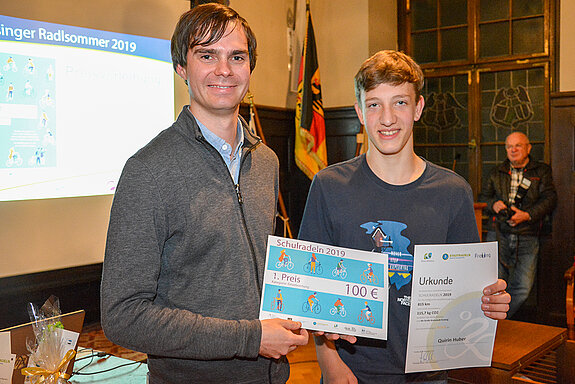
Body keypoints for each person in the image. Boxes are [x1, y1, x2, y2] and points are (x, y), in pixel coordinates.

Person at [100, 4, 308, 384]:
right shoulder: (148, 170)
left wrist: (324, 311)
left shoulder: (267, 162)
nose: (224, 70)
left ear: (250, 67)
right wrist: (251, 338)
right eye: (207, 55)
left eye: (237, 57)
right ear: (182, 66)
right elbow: (123, 315)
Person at [298, 50, 510, 383]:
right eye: (374, 104)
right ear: (359, 112)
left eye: (399, 103)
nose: (387, 118)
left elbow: (467, 295)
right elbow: (312, 294)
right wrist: (330, 364)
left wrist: (487, 304)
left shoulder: (453, 192)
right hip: (350, 374)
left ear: (418, 108)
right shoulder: (329, 187)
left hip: (429, 374)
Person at [480, 131, 557, 317]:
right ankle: (496, 324)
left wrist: (527, 215)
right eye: (509, 146)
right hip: (498, 232)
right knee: (494, 283)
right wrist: (493, 204)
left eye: (518, 145)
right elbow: (483, 197)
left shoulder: (542, 171)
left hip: (528, 232)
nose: (513, 150)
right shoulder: (496, 172)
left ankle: (501, 320)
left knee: (522, 287)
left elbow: (549, 198)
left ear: (528, 148)